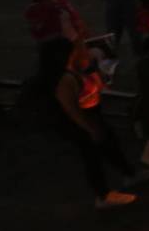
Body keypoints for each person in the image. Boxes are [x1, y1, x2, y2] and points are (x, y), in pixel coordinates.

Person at [35, 38, 138, 208]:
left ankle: (128, 173)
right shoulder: (64, 79)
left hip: (91, 117)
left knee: (109, 144)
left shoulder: (70, 70)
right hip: (83, 122)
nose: (77, 52)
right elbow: (72, 110)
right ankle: (103, 195)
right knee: (92, 156)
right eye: (72, 50)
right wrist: (89, 128)